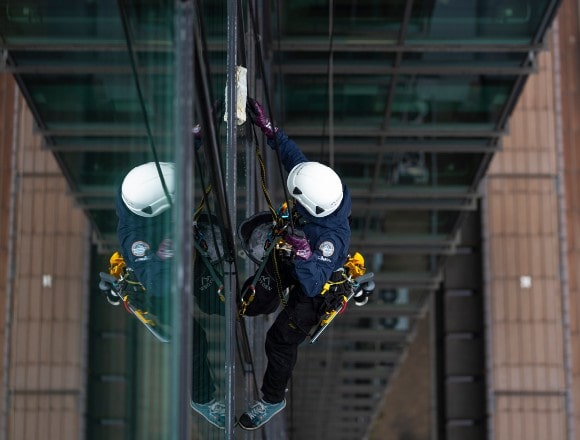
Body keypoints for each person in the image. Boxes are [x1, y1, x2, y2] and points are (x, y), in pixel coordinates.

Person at [238, 98, 352, 430]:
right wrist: (273, 132)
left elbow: (314, 281)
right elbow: (297, 163)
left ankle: (271, 400)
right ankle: (253, 303)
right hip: (297, 255)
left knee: (279, 339)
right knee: (259, 291)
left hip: (313, 287)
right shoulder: (323, 187)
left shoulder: (331, 237)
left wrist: (304, 254)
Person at [115, 161, 226, 429]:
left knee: (217, 303)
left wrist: (196, 137)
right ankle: (202, 400)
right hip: (157, 285)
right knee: (194, 338)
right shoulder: (137, 243)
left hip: (178, 250)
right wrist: (166, 253)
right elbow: (159, 285)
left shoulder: (140, 185)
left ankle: (222, 301)